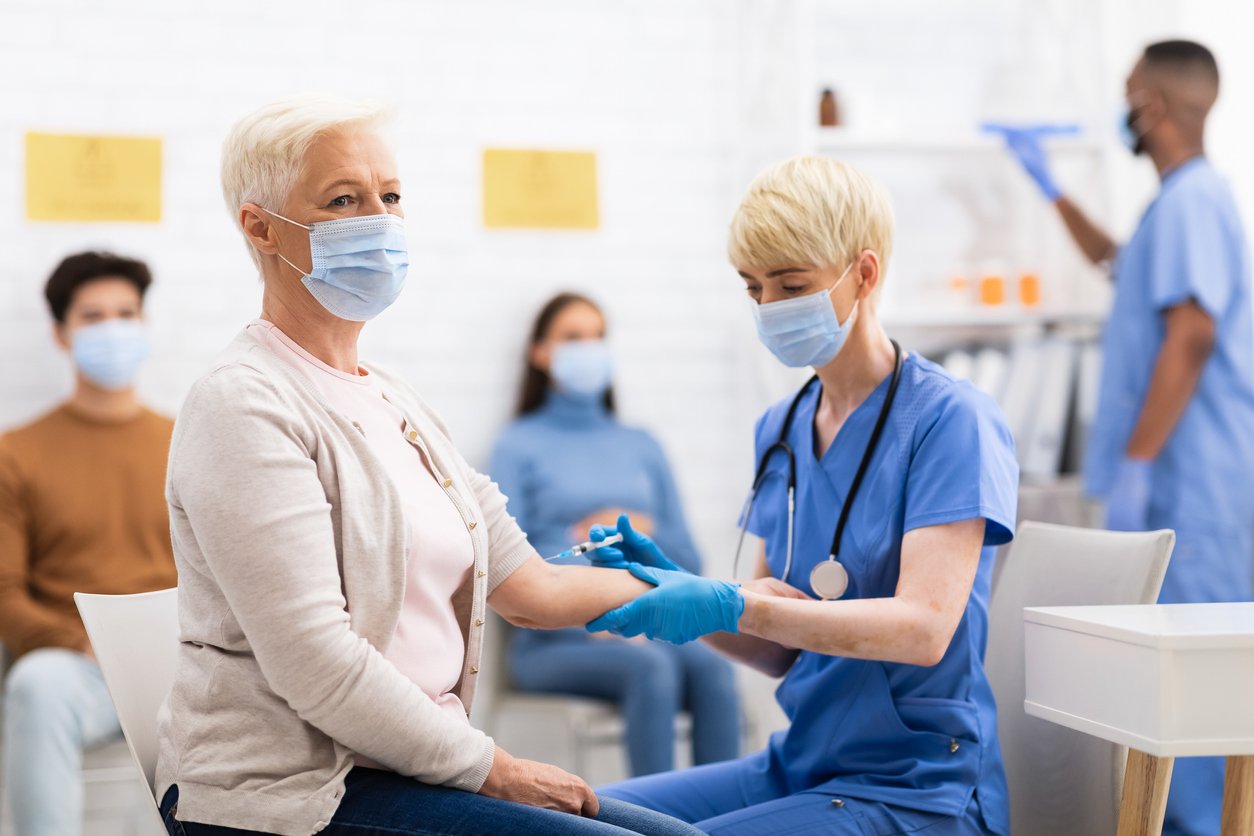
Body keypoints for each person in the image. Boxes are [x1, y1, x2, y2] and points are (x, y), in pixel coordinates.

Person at [153, 96, 701, 836]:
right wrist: (498, 770)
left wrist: (693, 592)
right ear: (260, 228)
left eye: (391, 197)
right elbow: (317, 664)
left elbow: (531, 588)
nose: (379, 220)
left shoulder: (395, 401)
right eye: (344, 200)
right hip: (296, 797)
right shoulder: (241, 406)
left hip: (410, 770)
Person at [580, 156, 1019, 834]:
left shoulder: (949, 421)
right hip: (802, 762)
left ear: (864, 273)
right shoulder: (781, 429)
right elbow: (776, 646)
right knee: (585, 822)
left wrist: (735, 604)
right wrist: (676, 590)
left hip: (917, 787)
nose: (769, 307)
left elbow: (924, 629)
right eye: (752, 287)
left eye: (791, 283)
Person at [994, 40, 1254, 836]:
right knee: (1159, 687)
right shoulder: (1172, 205)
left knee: (1194, 689)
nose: (1123, 108)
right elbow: (1117, 259)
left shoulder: (1195, 202)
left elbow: (1194, 335)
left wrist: (1138, 460)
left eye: (1128, 93)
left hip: (1194, 482)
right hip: (1179, 478)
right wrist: (1048, 189)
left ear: (1153, 107)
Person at [490, 292, 740, 777]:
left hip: (647, 631)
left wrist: (640, 530)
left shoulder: (641, 444)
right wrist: (587, 551)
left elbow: (689, 561)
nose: (590, 349)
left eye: (599, 337)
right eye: (573, 337)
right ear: (540, 353)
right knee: (652, 669)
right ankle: (657, 824)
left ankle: (716, 822)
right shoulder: (518, 445)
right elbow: (504, 565)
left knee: (716, 671)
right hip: (551, 645)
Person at [0, 251, 177, 836]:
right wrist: (82, 645)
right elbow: (5, 592)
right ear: (61, 333)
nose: (114, 329)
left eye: (126, 313)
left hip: (180, 664)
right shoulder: (16, 452)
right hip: (78, 669)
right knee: (35, 684)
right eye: (94, 316)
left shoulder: (186, 442)